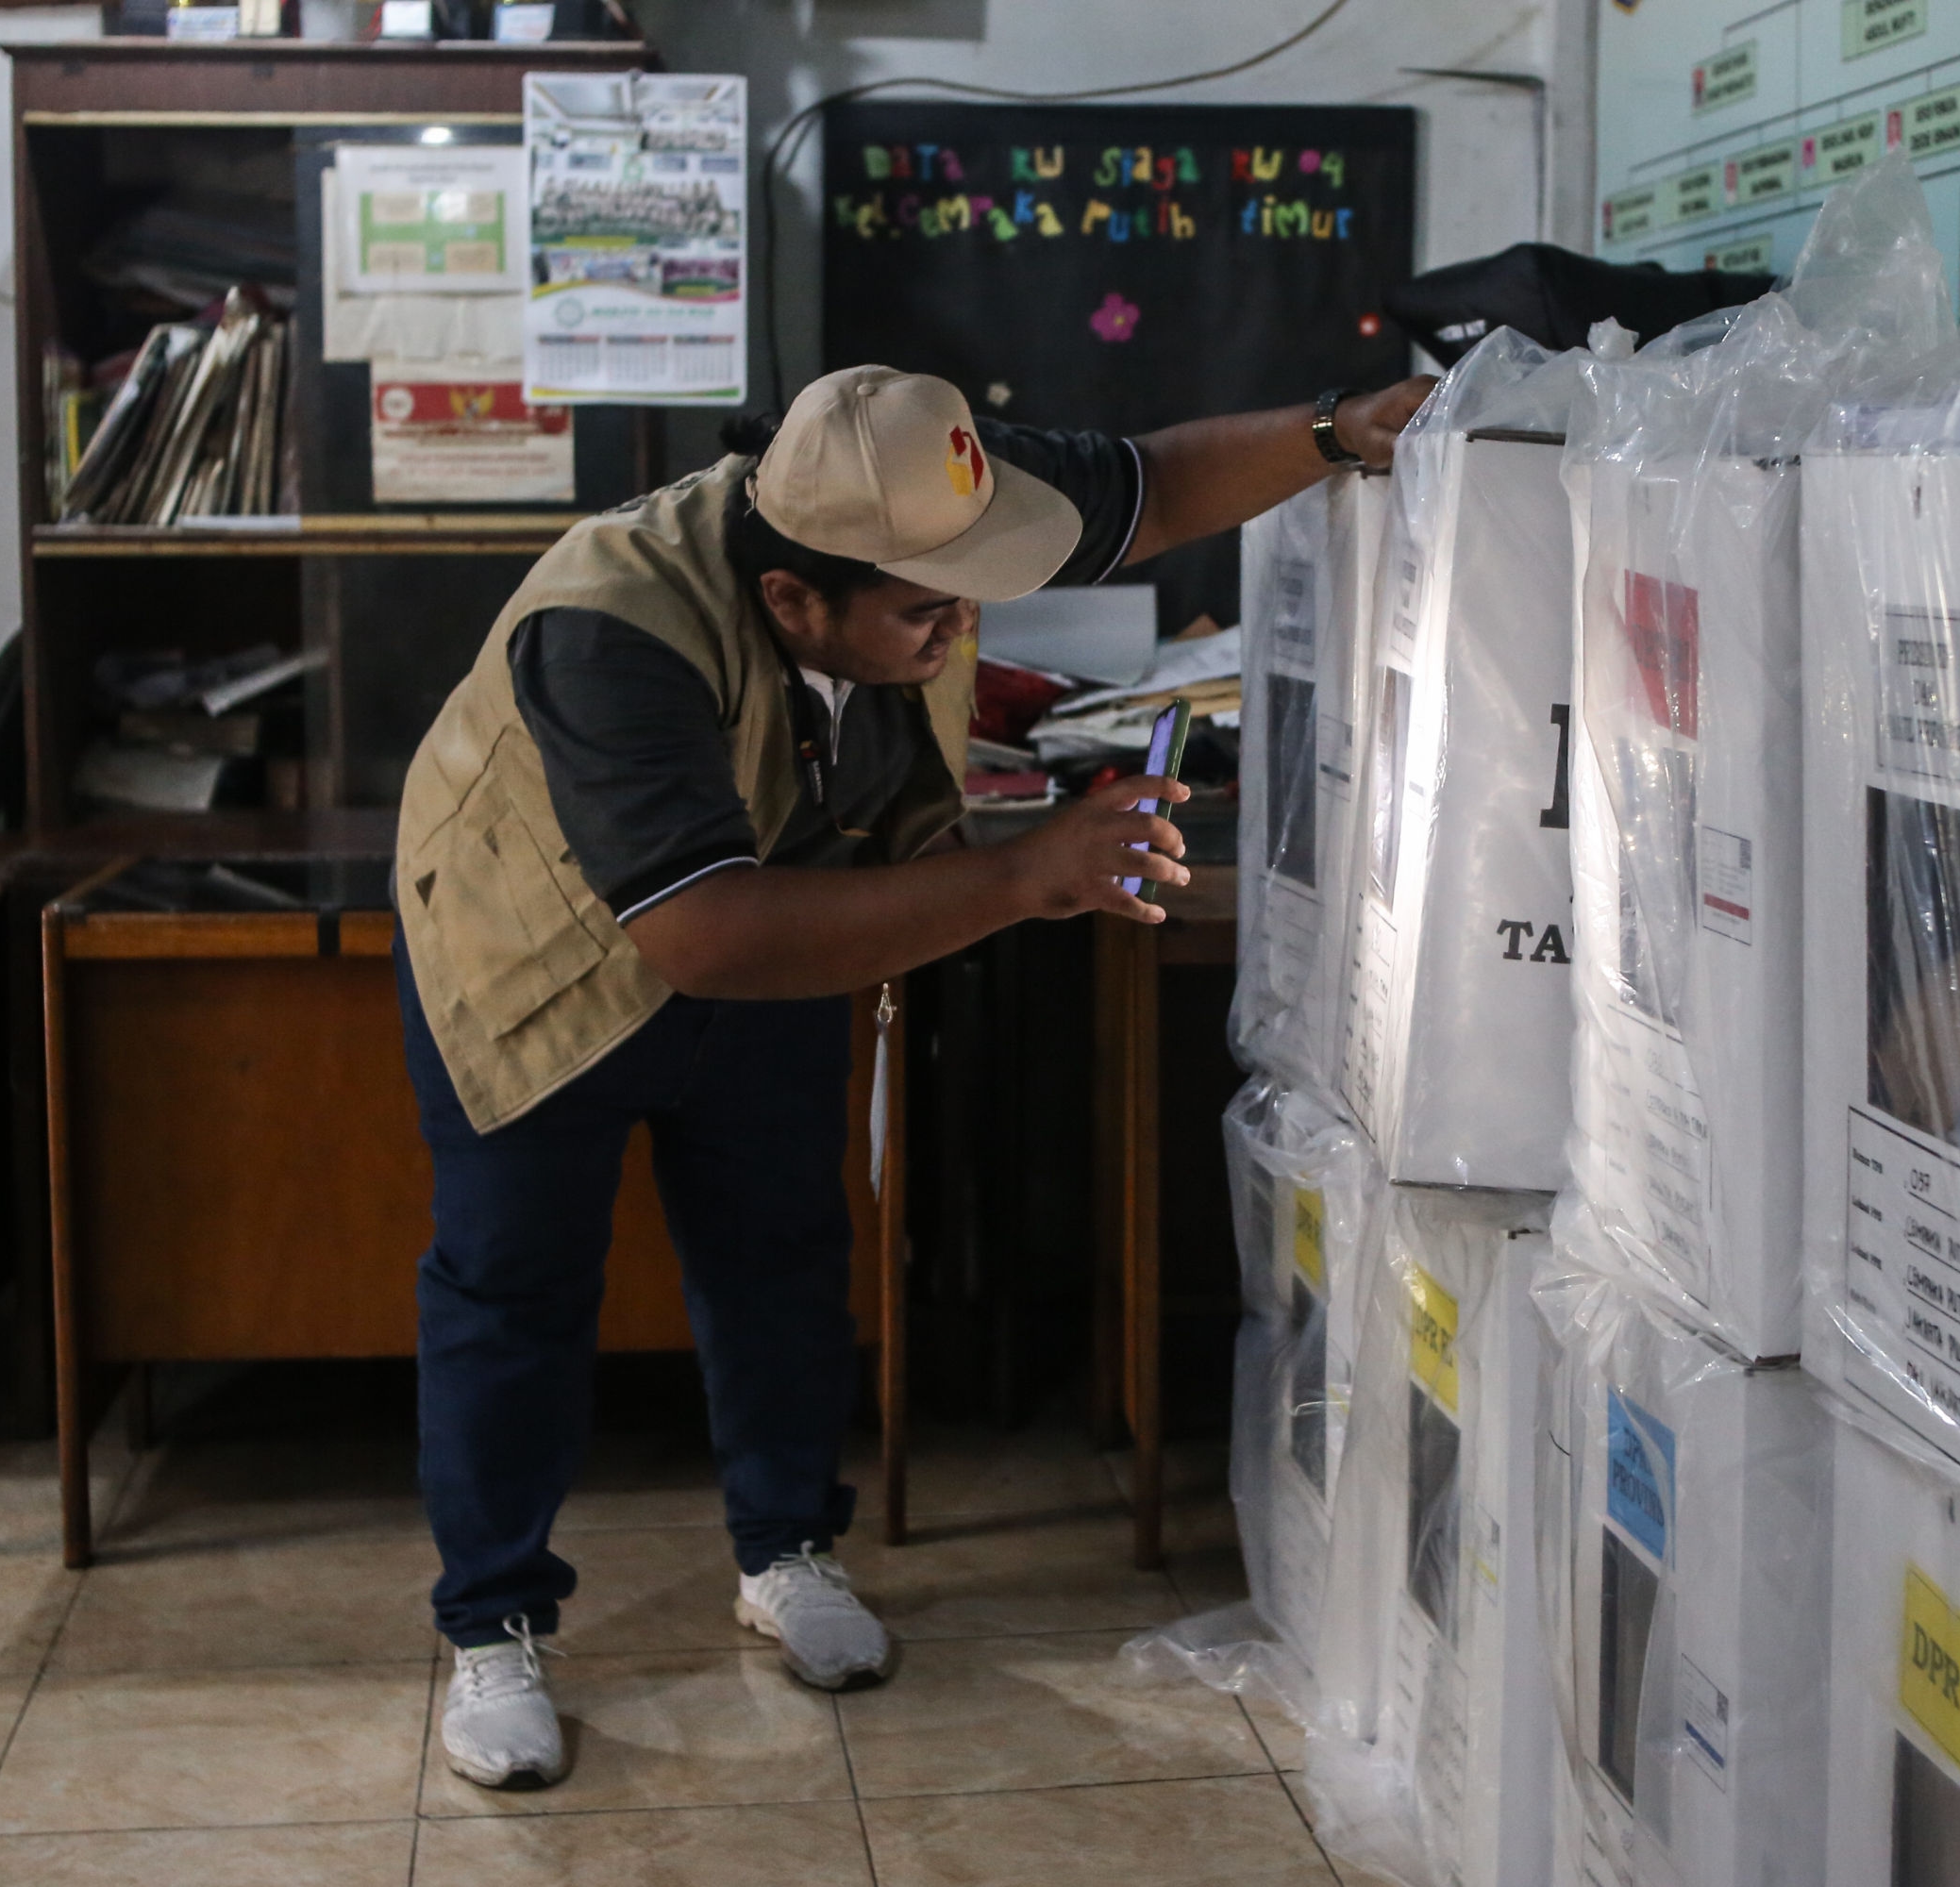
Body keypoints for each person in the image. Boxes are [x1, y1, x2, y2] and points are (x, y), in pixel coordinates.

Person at [392, 362, 1432, 1790]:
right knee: (515, 1289)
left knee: (781, 1251)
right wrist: (1025, 878)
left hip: (787, 907)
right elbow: (702, 933)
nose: (962, 629)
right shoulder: (607, 630)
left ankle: (784, 1550)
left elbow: (1146, 487)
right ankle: (493, 1622)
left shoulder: (914, 476)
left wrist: (1329, 432)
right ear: (793, 605)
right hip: (543, 952)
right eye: (926, 611)